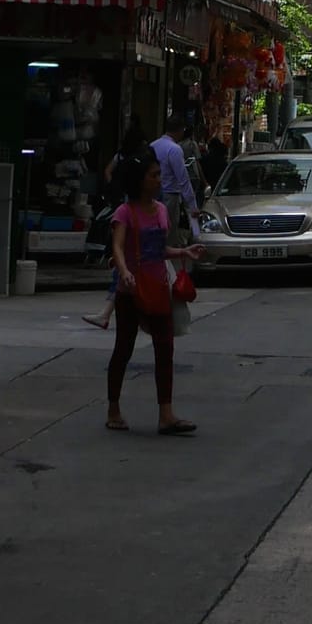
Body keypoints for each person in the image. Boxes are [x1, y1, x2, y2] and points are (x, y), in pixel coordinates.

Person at [106, 150, 201, 436]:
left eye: (159, 174)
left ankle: (166, 414)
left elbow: (160, 250)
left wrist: (183, 250)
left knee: (165, 350)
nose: (159, 180)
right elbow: (118, 247)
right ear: (140, 180)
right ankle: (113, 409)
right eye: (154, 175)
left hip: (158, 286)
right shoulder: (125, 212)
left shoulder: (160, 210)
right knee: (123, 349)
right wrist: (124, 271)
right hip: (131, 291)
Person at [152, 108, 200, 244]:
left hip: (152, 195)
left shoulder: (153, 145)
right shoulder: (174, 149)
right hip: (169, 196)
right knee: (168, 234)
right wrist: (192, 205)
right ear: (180, 130)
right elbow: (183, 179)